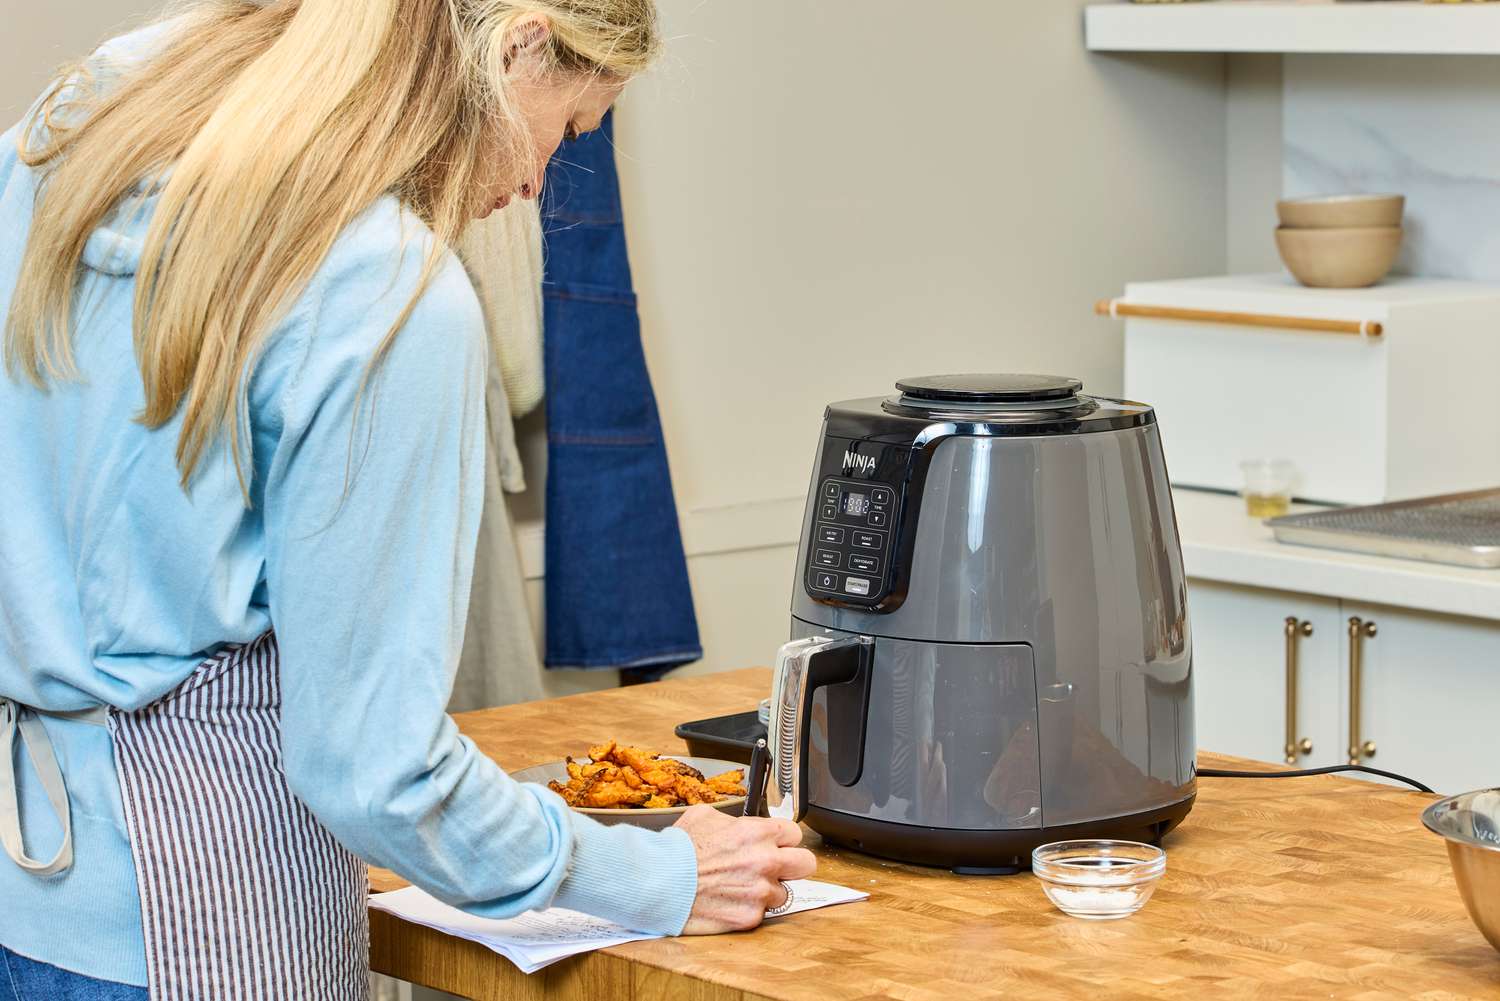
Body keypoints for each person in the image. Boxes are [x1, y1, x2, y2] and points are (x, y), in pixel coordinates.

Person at [0, 1, 815, 997]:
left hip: (27, 901)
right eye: (569, 130)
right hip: (204, 927)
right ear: (516, 43)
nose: (532, 185)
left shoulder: (68, 138)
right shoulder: (382, 290)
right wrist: (657, 873)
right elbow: (376, 769)